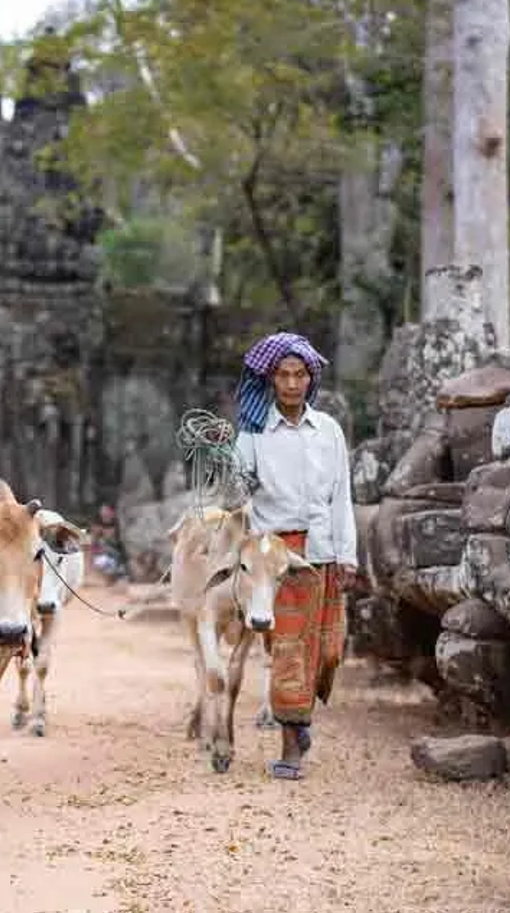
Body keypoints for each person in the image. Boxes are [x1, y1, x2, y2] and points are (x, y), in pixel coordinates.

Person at [232, 331, 357, 781]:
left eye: (299, 374)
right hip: (276, 557)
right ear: (271, 380)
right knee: (288, 650)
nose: (290, 383)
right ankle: (290, 747)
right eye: (283, 375)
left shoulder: (328, 432)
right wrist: (223, 461)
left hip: (324, 550)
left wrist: (349, 557)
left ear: (310, 379)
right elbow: (237, 487)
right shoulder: (253, 433)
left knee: (327, 651)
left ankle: (299, 717)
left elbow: (342, 495)